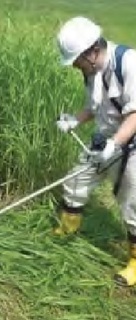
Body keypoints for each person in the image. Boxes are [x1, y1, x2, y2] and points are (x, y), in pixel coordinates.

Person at [55, 16, 136, 286]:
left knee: (132, 205)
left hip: (131, 146)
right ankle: (68, 228)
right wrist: (74, 120)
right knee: (76, 180)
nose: (74, 65)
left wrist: (115, 145)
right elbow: (95, 107)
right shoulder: (92, 72)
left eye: (76, 59)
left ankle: (135, 263)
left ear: (91, 52)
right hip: (104, 140)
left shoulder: (129, 62)